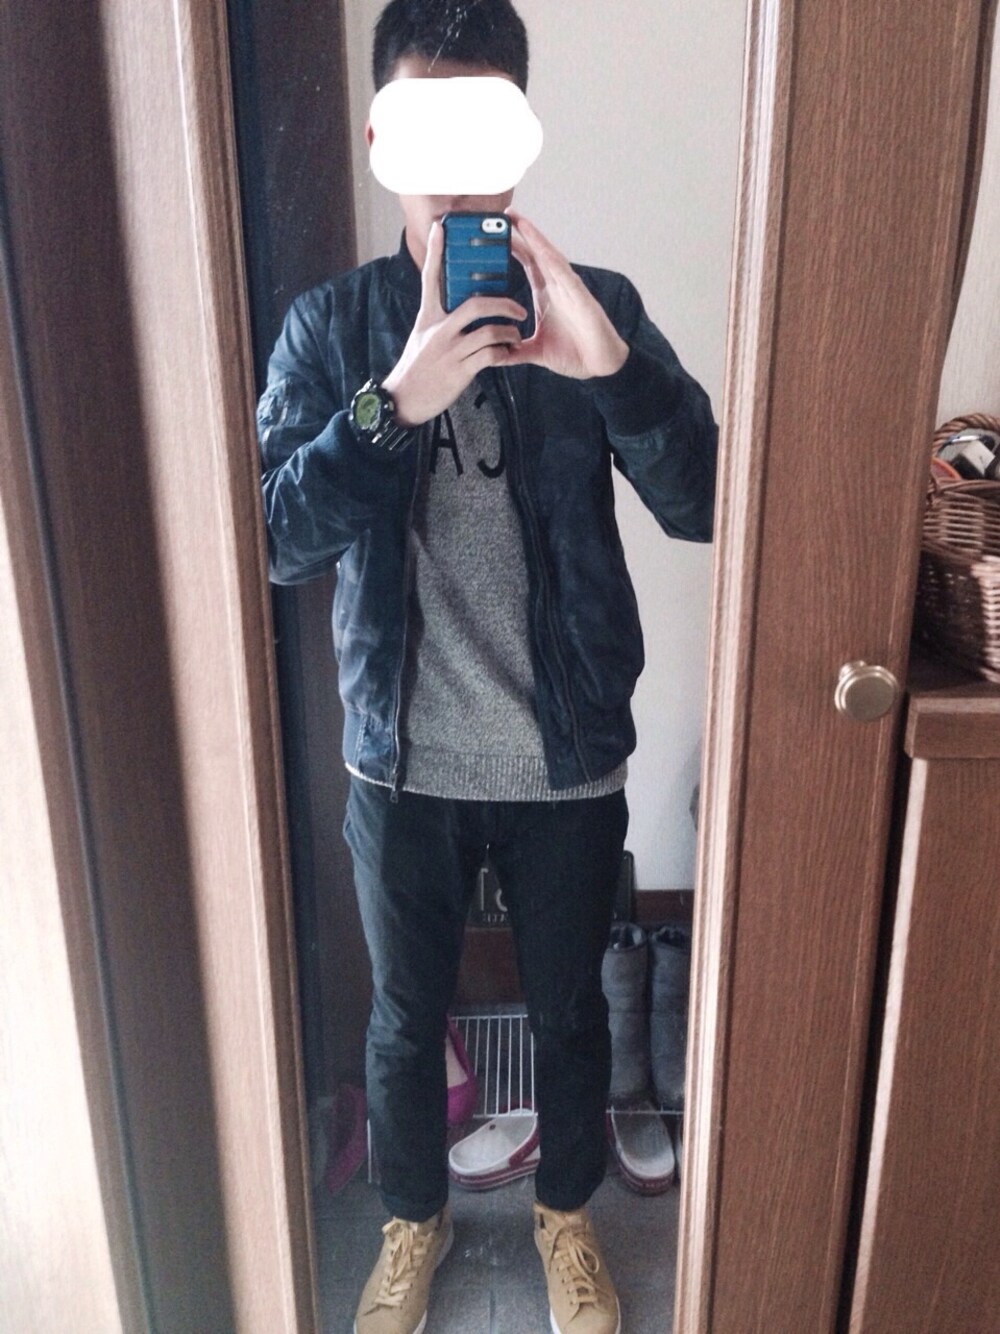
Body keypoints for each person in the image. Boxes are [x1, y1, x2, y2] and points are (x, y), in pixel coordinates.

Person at [257, 2, 717, 1330]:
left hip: (565, 759)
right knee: (405, 1019)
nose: (460, 176)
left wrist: (615, 371)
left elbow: (704, 502)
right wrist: (389, 408)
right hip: (400, 763)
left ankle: (567, 1216)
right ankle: (412, 1222)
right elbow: (280, 536)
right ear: (380, 140)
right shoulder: (333, 329)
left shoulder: (595, 307)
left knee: (568, 1014)